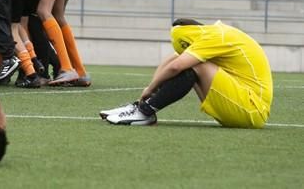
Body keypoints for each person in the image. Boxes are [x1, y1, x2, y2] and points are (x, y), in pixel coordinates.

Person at [101, 18, 272, 128]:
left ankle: (145, 113)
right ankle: (141, 107)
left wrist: (151, 88)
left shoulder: (215, 37)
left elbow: (177, 66)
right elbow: (172, 61)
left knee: (194, 65)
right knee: (190, 62)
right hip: (243, 107)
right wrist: (150, 88)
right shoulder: (210, 34)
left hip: (252, 111)